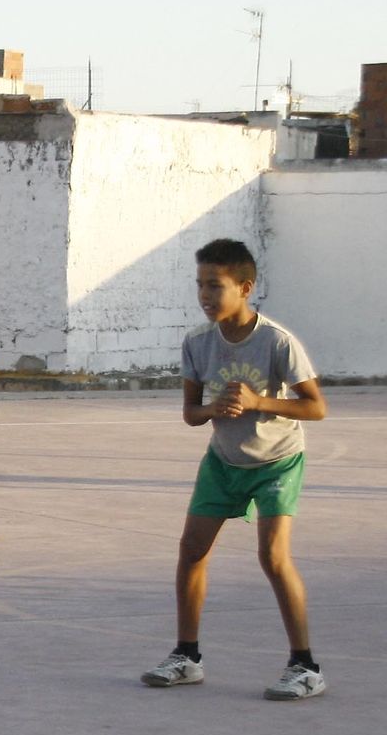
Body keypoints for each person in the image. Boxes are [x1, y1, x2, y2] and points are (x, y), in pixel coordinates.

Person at [141, 238, 328, 700]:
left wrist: (259, 401)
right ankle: (187, 656)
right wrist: (214, 409)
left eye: (216, 286)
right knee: (192, 551)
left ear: (245, 287)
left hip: (276, 461)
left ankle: (305, 666)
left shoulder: (277, 341)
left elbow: (316, 407)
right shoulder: (197, 342)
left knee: (273, 556)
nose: (205, 295)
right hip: (223, 461)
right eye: (200, 285)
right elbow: (190, 413)